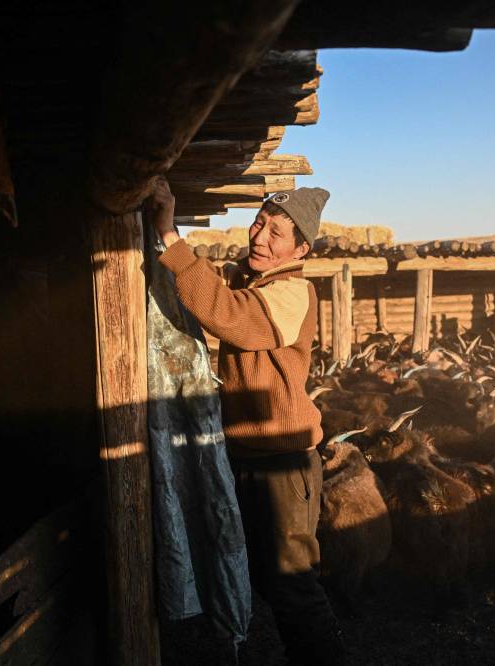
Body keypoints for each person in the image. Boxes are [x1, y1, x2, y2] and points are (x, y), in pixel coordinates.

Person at [146, 178, 345, 665]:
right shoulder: (252, 280)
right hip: (250, 454)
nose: (260, 237)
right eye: (260, 223)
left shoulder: (292, 291)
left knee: (293, 581)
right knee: (258, 570)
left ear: (301, 247)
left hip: (283, 461)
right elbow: (213, 291)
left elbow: (230, 316)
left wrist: (170, 236)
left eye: (278, 232)